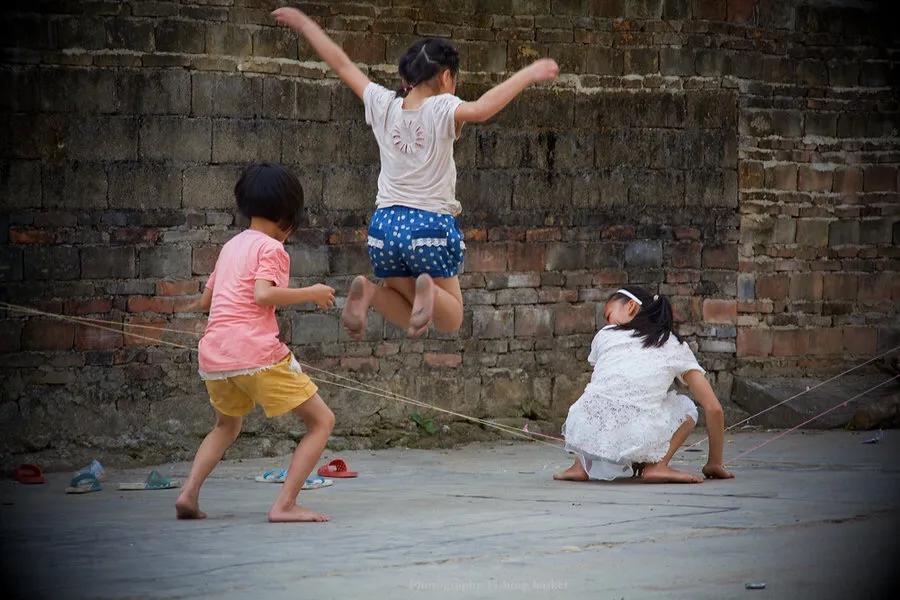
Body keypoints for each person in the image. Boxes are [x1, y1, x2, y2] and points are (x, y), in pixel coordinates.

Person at [272, 7, 559, 338]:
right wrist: (529, 73)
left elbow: (342, 64)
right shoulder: (442, 106)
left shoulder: (384, 103)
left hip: (385, 228)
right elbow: (480, 109)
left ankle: (369, 291)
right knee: (450, 318)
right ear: (447, 77)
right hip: (428, 226)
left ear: (407, 77)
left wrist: (306, 24)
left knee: (407, 309)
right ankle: (430, 289)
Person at [175, 162, 338, 523]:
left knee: (226, 426)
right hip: (255, 354)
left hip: (215, 357)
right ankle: (284, 505)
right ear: (287, 215)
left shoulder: (230, 247)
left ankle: (188, 494)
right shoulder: (272, 249)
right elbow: (264, 295)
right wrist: (311, 292)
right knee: (322, 421)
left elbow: (206, 302)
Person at [554, 287, 735, 484]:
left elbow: (609, 384)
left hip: (580, 426)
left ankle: (579, 467)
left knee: (597, 399)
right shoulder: (673, 344)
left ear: (631, 306)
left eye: (608, 315)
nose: (607, 322)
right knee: (686, 406)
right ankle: (658, 467)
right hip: (638, 433)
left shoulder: (605, 335)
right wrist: (714, 463)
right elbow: (714, 408)